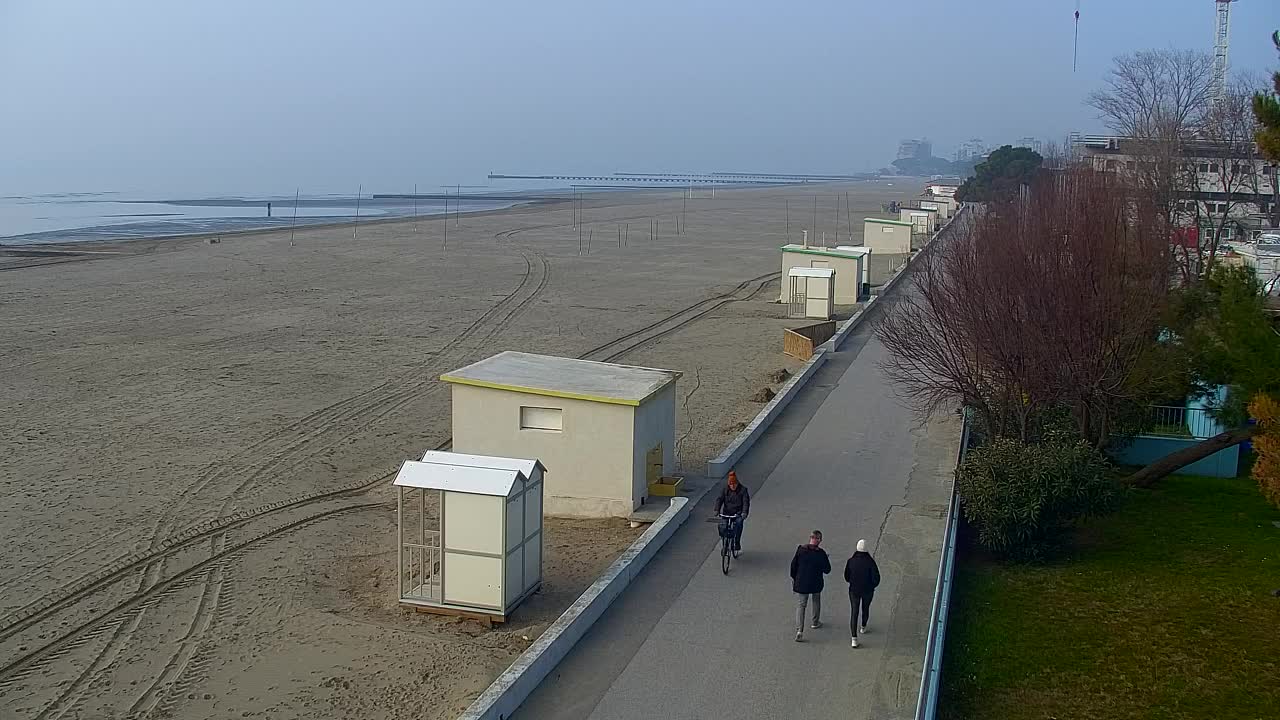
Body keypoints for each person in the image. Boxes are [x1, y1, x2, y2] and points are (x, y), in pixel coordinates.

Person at [789, 530, 831, 642]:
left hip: (801, 583)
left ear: (810, 538)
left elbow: (793, 566)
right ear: (818, 540)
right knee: (816, 600)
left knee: (801, 605)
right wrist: (825, 559)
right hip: (816, 583)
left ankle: (799, 630)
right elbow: (827, 570)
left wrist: (794, 578)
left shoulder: (800, 550)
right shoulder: (821, 553)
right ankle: (815, 622)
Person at [844, 538, 881, 648]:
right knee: (865, 608)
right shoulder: (870, 562)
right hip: (868, 591)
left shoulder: (851, 561)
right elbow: (876, 578)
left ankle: (854, 639)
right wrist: (871, 586)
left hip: (854, 590)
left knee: (854, 612)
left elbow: (846, 576)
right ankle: (863, 626)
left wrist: (852, 581)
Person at [713, 470, 750, 552]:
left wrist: (744, 512)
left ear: (737, 483)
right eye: (731, 484)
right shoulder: (725, 490)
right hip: (727, 512)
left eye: (734, 484)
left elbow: (745, 502)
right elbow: (719, 499)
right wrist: (717, 509)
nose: (733, 486)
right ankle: (725, 545)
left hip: (738, 513)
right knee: (723, 527)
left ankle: (736, 542)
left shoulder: (743, 490)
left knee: (739, 523)